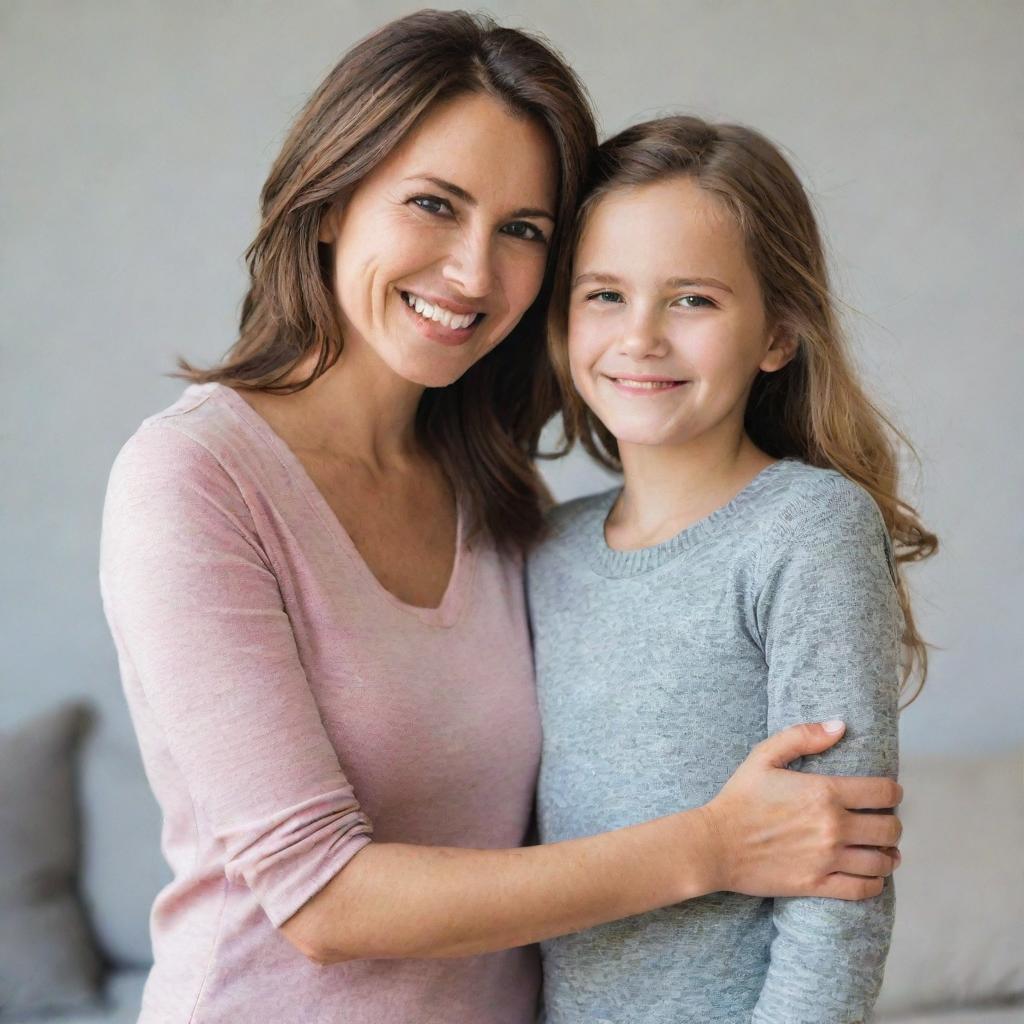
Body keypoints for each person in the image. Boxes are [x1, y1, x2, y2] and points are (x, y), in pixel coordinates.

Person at [99, 13, 904, 1024]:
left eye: (522, 230)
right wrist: (711, 845)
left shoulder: (499, 501)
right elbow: (320, 899)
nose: (474, 273)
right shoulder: (192, 478)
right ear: (330, 202)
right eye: (434, 204)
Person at [529, 115, 938, 1023]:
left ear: (778, 334)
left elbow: (842, 884)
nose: (640, 337)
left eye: (693, 300)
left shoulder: (807, 529)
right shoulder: (546, 548)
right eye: (604, 295)